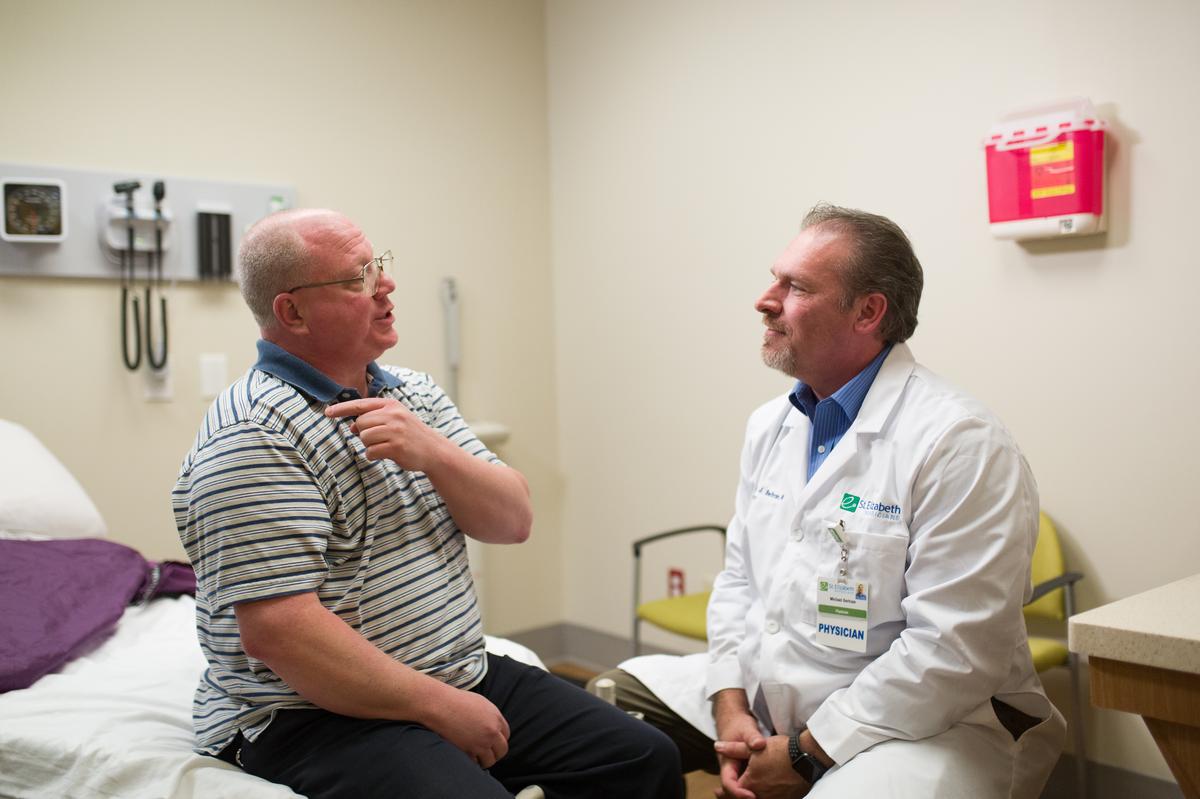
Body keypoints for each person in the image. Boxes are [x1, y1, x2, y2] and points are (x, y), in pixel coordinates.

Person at [173, 208, 683, 799]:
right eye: (357, 276)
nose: (385, 285)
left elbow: (512, 520)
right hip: (307, 714)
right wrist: (440, 707)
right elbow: (280, 633)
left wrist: (433, 453)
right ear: (292, 312)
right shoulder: (253, 435)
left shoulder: (411, 392)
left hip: (458, 670)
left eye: (378, 265)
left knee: (641, 757)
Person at [593, 205, 1066, 799]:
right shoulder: (772, 426)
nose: (766, 300)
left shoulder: (960, 444)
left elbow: (954, 652)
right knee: (603, 716)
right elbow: (740, 581)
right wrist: (729, 705)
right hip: (772, 694)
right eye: (775, 279)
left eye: (796, 288)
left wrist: (805, 754)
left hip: (924, 723)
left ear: (868, 312)